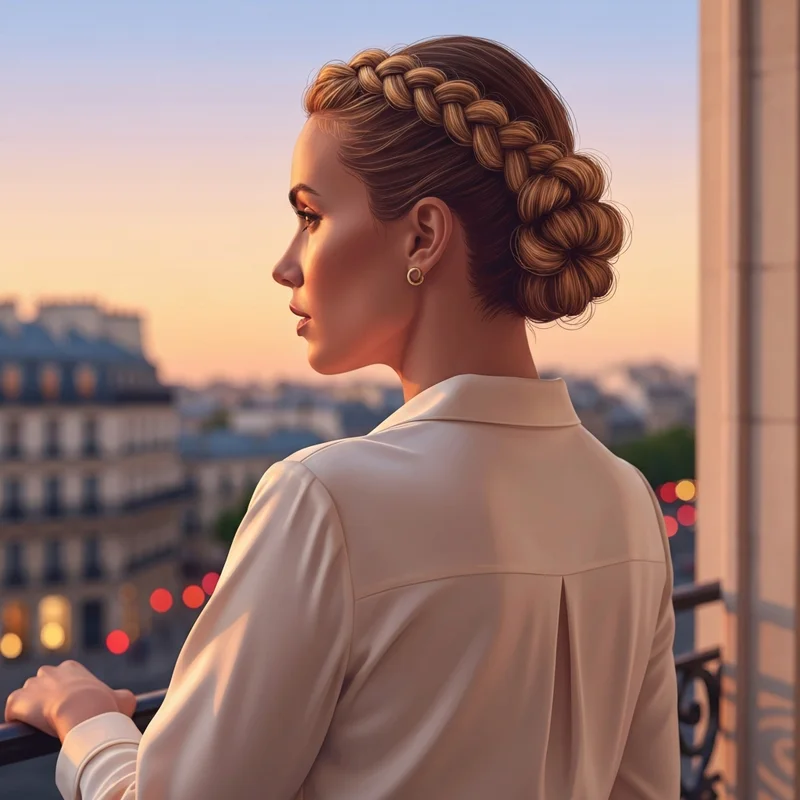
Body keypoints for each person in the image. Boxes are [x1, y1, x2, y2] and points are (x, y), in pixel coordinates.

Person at [5, 35, 680, 799]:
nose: (285, 262)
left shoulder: (326, 498)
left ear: (422, 235)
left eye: (310, 215)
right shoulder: (627, 500)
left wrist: (87, 721)